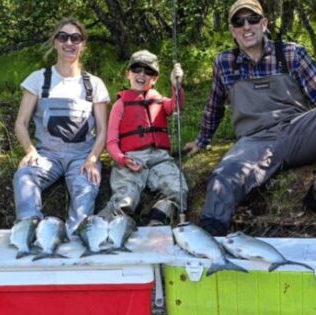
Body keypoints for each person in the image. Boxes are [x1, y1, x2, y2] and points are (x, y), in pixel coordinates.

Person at [185, 0, 316, 236]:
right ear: (232, 30)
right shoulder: (224, 63)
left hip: (298, 131)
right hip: (254, 141)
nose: (246, 26)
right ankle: (211, 240)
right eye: (239, 22)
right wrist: (201, 141)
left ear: (264, 23)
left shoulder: (291, 53)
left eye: (252, 19)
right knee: (222, 178)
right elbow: (214, 106)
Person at [13, 18, 110, 235]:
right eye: (63, 37)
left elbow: (103, 130)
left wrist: (93, 159)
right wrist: (30, 150)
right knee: (23, 177)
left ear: (83, 45)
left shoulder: (94, 84)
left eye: (76, 38)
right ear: (55, 42)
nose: (69, 43)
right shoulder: (38, 79)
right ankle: (30, 230)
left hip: (82, 157)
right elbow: (21, 123)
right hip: (46, 155)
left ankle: (76, 237)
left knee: (86, 191)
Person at [99, 50, 187, 226]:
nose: (142, 74)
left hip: (160, 159)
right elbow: (111, 142)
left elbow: (176, 105)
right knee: (125, 197)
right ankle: (103, 225)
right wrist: (122, 159)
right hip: (131, 159)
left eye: (148, 71)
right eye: (137, 69)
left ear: (155, 78)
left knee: (178, 189)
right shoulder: (120, 104)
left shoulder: (160, 101)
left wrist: (176, 85)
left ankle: (157, 219)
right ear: (128, 73)